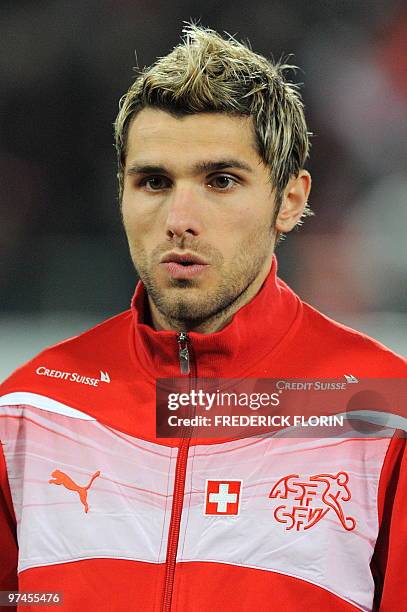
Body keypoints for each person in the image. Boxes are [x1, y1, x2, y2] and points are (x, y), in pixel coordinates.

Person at [0, 24, 405, 612]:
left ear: (289, 200)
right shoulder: (31, 413)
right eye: (153, 181)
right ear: (121, 196)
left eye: (220, 181)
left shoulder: (379, 412)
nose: (179, 217)